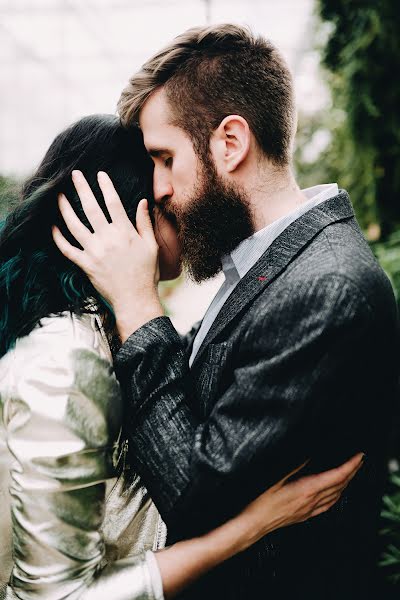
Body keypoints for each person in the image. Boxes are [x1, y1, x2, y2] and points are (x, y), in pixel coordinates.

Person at [53, 25, 399, 599]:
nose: (158, 188)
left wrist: (139, 303)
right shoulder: (271, 260)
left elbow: (194, 496)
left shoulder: (325, 287)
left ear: (230, 142)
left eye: (165, 158)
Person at [0, 114, 362, 600]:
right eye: (166, 201)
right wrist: (250, 525)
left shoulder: (103, 325)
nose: (183, 205)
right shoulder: (66, 361)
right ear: (126, 218)